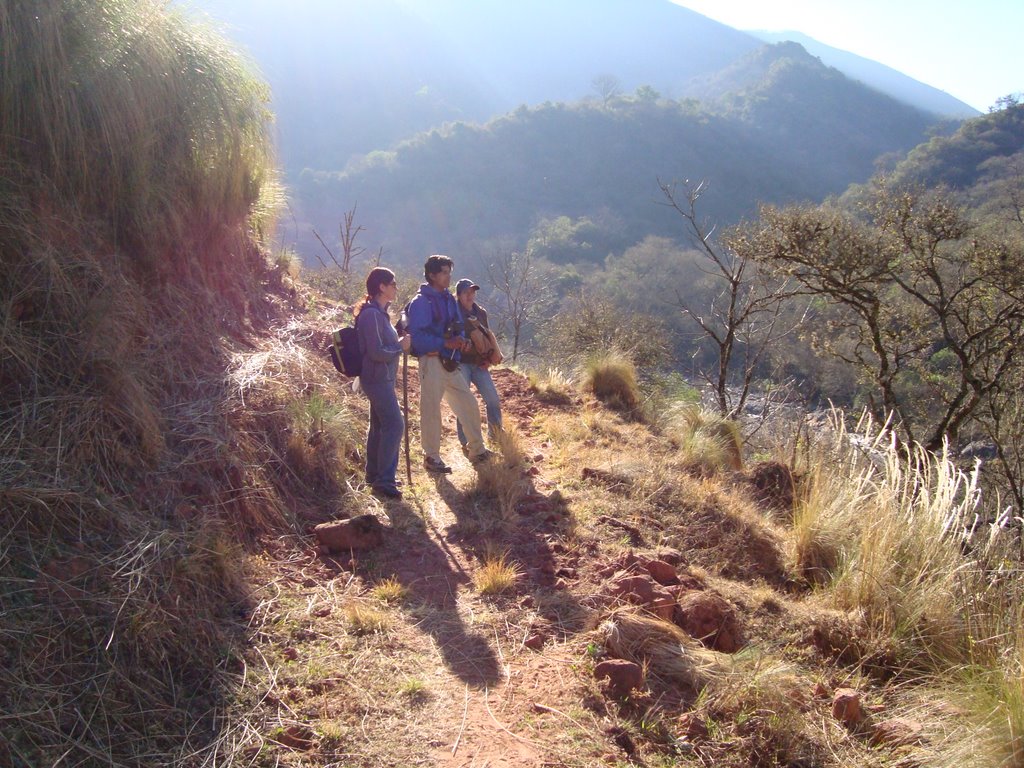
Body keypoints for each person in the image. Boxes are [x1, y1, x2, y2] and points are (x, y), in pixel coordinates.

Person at [406, 255, 491, 473]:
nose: (448, 276)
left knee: (469, 403)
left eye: (448, 272)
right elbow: (417, 338)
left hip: (450, 360)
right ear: (432, 275)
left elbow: (459, 325)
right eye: (444, 272)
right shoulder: (420, 303)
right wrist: (446, 342)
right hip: (432, 361)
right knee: (431, 410)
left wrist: (461, 340)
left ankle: (478, 451)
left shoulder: (448, 300)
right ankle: (432, 458)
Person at [355, 267, 411, 498]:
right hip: (376, 379)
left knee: (379, 426)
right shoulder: (370, 315)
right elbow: (376, 352)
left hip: (381, 379)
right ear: (382, 287)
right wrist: (400, 346)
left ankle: (375, 475)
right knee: (395, 425)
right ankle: (385, 481)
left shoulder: (379, 314)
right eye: (393, 283)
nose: (396, 287)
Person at [454, 278, 503, 453]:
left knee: (493, 400)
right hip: (460, 363)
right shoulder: (452, 312)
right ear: (458, 295)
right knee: (464, 402)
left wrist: (488, 359)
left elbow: (487, 337)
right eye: (466, 292)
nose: (470, 296)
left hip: (478, 364)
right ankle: (465, 441)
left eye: (472, 292)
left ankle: (496, 435)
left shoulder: (481, 313)